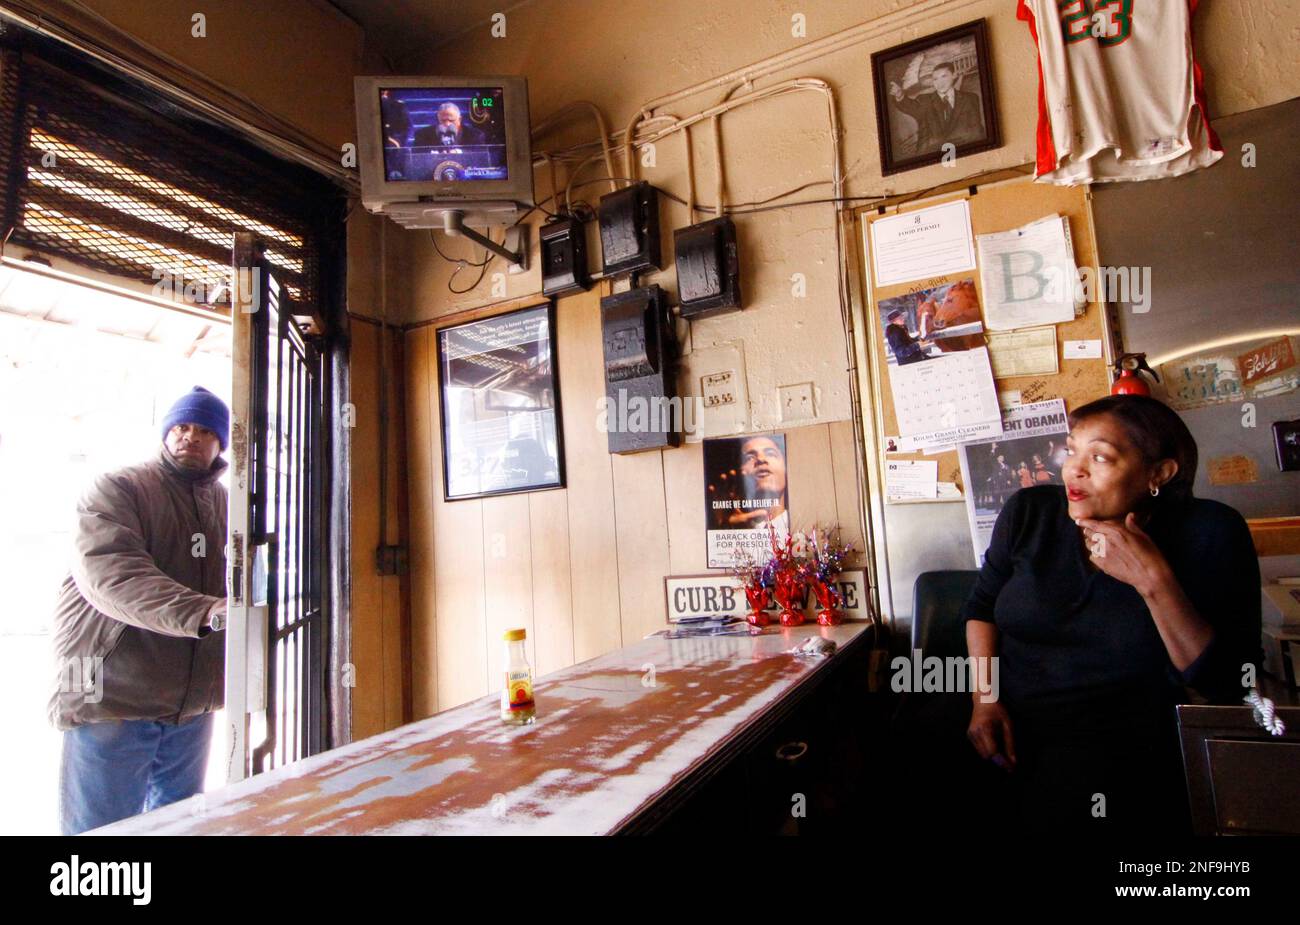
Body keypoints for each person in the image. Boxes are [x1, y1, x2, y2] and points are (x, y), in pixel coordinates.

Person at [961, 395, 1261, 834]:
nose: (1074, 470)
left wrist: (1153, 579)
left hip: (1128, 751)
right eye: (1071, 450)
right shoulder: (1029, 512)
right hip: (1011, 727)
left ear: (1159, 473)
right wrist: (984, 700)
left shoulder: (1210, 531)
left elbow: (1226, 682)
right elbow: (981, 608)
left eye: (1100, 457)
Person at [51, 386, 230, 835]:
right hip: (110, 693)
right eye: (181, 427)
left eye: (205, 430)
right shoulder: (117, 488)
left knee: (178, 825)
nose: (190, 437)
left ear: (221, 443)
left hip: (190, 705)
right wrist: (208, 611)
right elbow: (115, 576)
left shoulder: (230, 504)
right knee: (100, 835)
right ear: (166, 433)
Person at [888, 61, 985, 155]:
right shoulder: (924, 100)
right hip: (930, 154)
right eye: (935, 79)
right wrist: (900, 95)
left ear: (954, 75)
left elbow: (976, 129)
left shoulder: (970, 98)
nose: (940, 82)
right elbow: (911, 107)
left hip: (963, 150)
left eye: (944, 76)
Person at [724, 435, 789, 532]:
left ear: (785, 467)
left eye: (771, 454)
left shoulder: (804, 526)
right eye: (750, 458)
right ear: (739, 472)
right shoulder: (728, 528)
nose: (761, 459)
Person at [412, 102, 488, 149]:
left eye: (451, 120)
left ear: (460, 119)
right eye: (443, 120)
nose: (447, 124)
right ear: (438, 119)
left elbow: (479, 158)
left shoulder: (475, 135)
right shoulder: (422, 134)